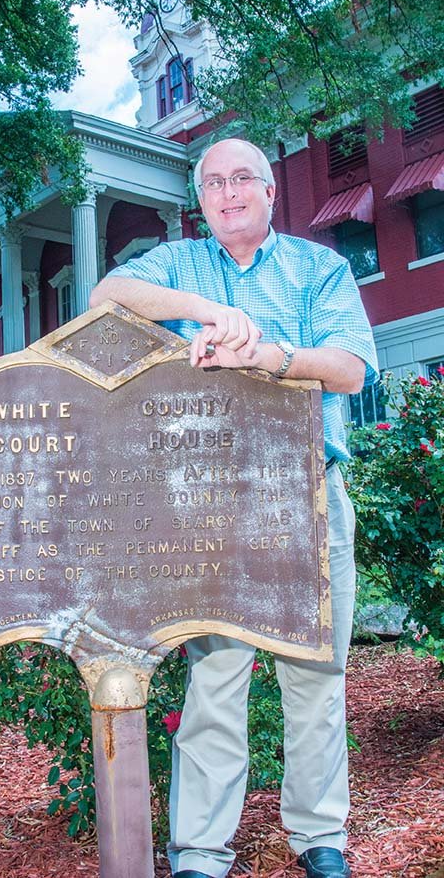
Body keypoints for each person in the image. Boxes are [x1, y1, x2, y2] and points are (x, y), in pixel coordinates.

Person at [90, 138, 378, 878]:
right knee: (215, 680)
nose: (227, 192)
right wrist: (205, 308)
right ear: (202, 200)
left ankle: (321, 839)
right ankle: (200, 853)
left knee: (315, 676)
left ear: (271, 189)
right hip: (208, 509)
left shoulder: (321, 269)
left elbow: (349, 366)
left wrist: (267, 355)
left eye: (241, 177)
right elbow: (107, 295)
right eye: (212, 182)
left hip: (306, 491)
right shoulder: (179, 265)